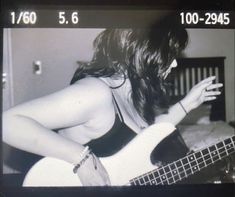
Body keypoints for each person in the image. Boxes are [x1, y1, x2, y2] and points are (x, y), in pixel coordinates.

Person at [2, 15, 223, 186]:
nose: (174, 64)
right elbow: (8, 122)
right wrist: (81, 159)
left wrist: (186, 105)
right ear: (144, 52)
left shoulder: (131, 94)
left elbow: (142, 140)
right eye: (169, 55)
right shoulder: (97, 92)